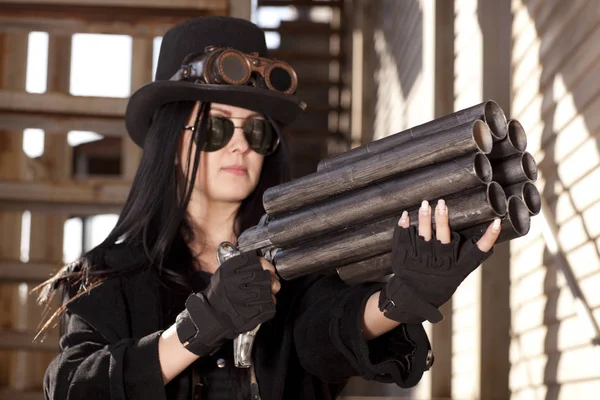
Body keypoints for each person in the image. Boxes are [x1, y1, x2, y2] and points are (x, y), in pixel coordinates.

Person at [37, 17, 501, 400]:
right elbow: (73, 386)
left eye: (256, 133)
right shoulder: (105, 275)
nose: (240, 146)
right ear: (171, 142)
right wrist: (199, 327)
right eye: (217, 129)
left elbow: (325, 336)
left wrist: (400, 300)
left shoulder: (294, 263)